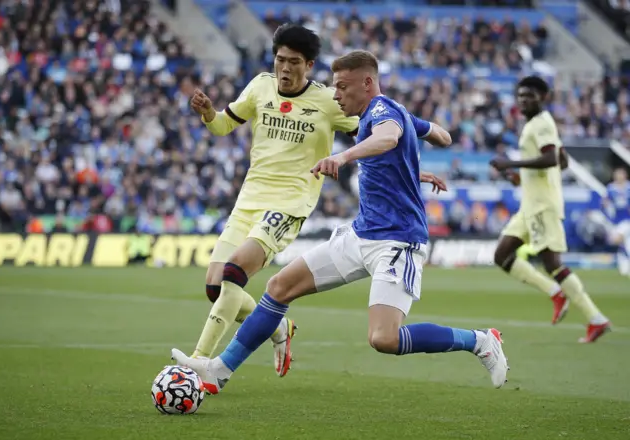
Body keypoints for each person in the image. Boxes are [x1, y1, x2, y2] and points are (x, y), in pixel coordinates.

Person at [173, 50, 510, 393]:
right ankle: (219, 369)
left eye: (342, 87)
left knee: (384, 338)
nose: (336, 95)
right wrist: (416, 163)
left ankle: (480, 341)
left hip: (396, 242)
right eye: (334, 87)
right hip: (360, 234)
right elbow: (442, 136)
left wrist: (344, 155)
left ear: (367, 83)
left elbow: (389, 137)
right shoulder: (391, 113)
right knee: (278, 288)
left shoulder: (381, 110)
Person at [171, 23, 360, 391]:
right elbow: (225, 126)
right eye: (279, 60)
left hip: (289, 203)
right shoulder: (259, 86)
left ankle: (198, 367)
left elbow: (368, 130)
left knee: (234, 272)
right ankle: (277, 325)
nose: (284, 69)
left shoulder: (326, 102)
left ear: (309, 65)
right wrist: (209, 114)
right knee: (215, 286)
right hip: (249, 200)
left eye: (293, 62)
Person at [490, 76, 611, 343]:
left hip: (542, 204)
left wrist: (512, 162)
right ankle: (556, 293)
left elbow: (550, 158)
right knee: (502, 255)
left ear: (543, 97)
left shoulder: (542, 122)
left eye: (529, 95)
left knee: (552, 263)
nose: (523, 100)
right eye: (520, 95)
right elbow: (563, 161)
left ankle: (596, 318)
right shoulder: (539, 124)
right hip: (530, 203)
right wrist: (521, 178)